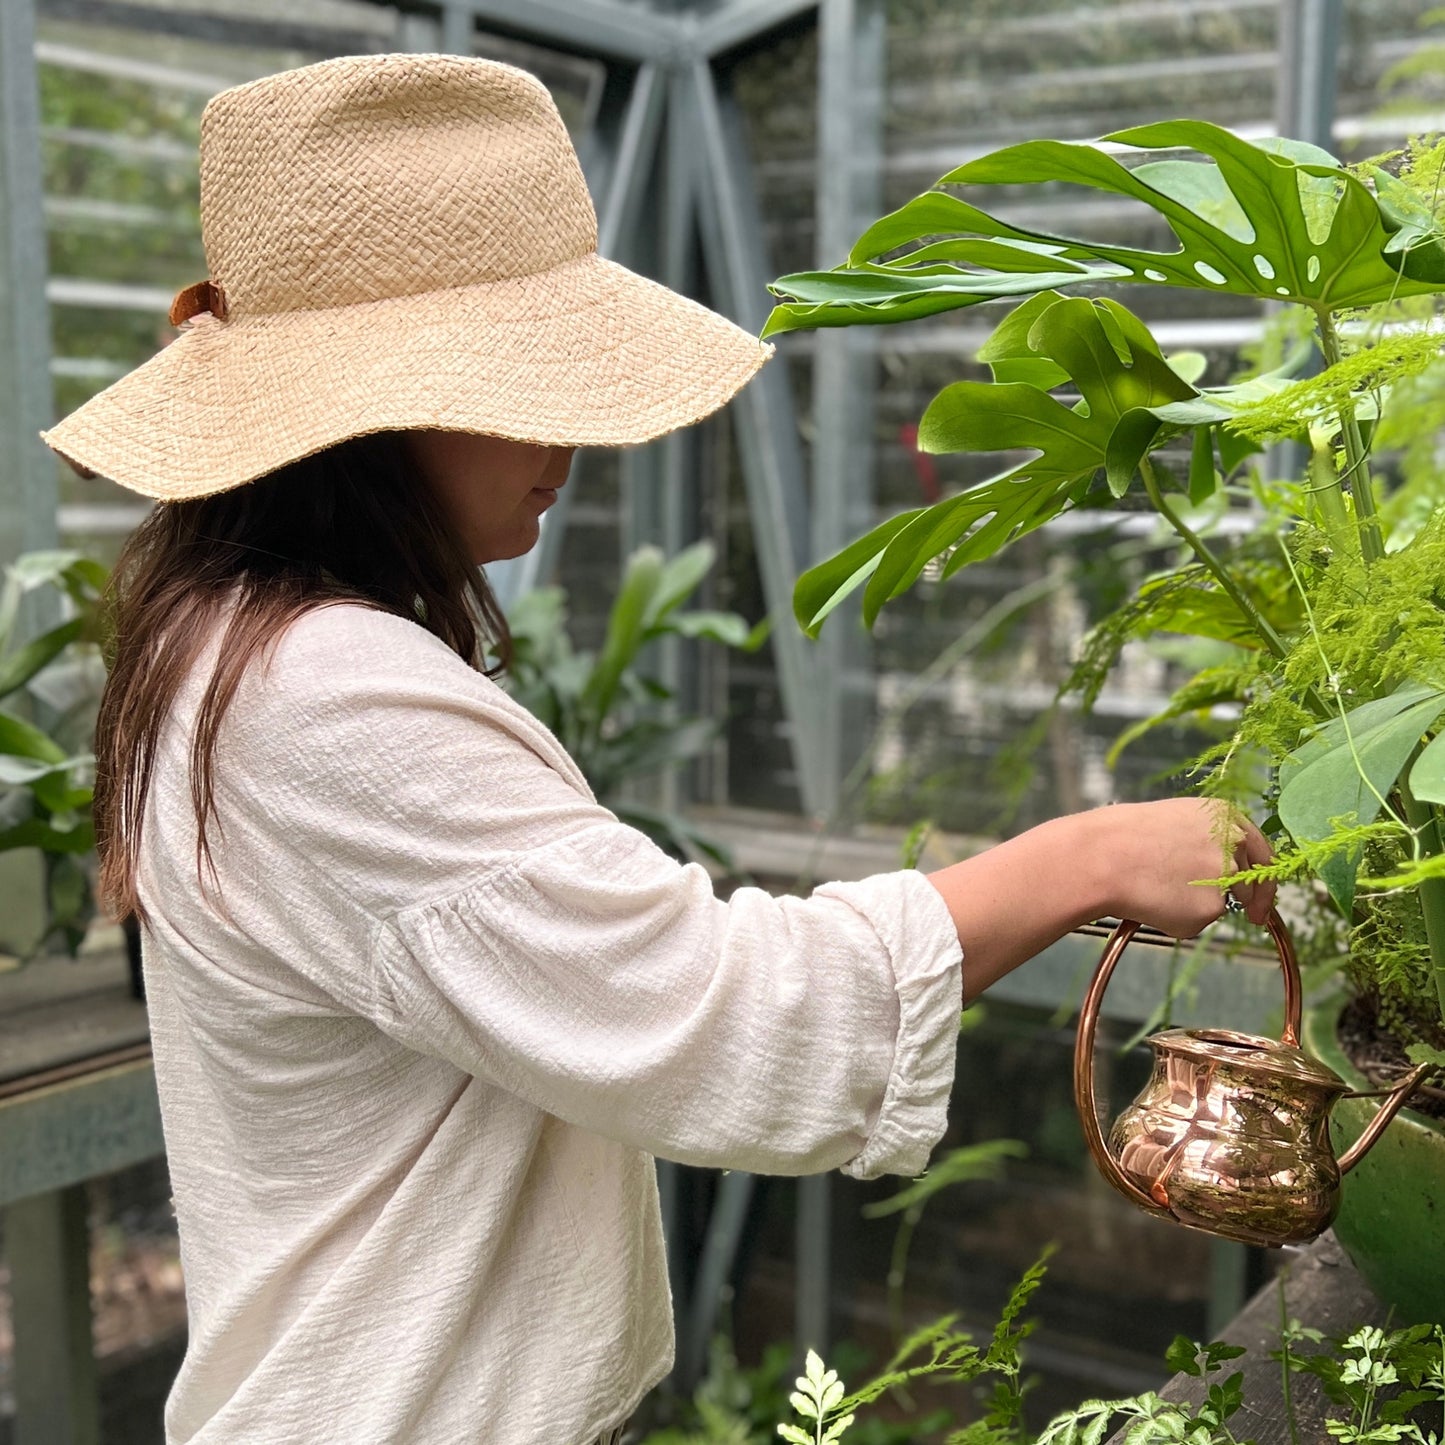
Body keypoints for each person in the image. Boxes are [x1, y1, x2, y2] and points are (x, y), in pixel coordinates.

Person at [42, 53, 1275, 1445]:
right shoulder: (318, 691)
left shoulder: (222, 646)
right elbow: (723, 1015)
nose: (566, 427)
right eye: (520, 371)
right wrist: (1085, 853)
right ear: (371, 411)